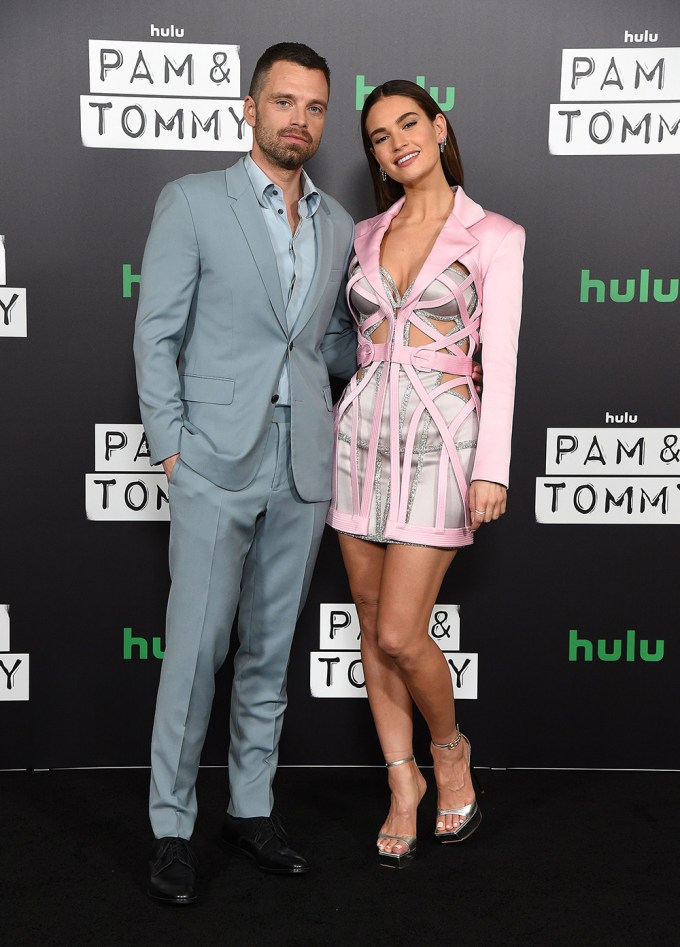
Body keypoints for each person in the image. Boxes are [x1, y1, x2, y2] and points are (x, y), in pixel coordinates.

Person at [133, 43, 358, 904]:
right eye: (283, 102)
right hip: (212, 463)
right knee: (193, 651)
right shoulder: (192, 202)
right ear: (250, 107)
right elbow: (156, 333)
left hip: (304, 466)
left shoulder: (337, 223)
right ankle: (170, 827)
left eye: (314, 107)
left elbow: (328, 344)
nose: (298, 119)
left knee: (270, 651)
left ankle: (252, 806)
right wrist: (171, 448)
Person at [326, 80, 525, 867]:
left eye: (409, 123)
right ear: (373, 153)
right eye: (378, 135)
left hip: (444, 441)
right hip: (357, 441)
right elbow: (346, 342)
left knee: (406, 632)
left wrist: (494, 467)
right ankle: (401, 781)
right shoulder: (367, 230)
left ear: (439, 128)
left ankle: (449, 751)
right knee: (373, 625)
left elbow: (500, 360)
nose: (396, 141)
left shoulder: (495, 234)